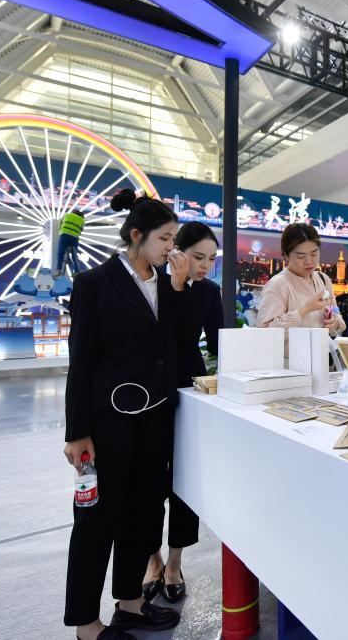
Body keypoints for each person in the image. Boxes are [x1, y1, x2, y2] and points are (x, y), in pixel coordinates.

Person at [63, 188, 195, 640]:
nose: (171, 247)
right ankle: (86, 623)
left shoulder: (164, 283)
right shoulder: (95, 283)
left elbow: (179, 341)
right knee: (96, 521)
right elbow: (81, 360)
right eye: (165, 238)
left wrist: (178, 287)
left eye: (173, 238)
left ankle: (131, 603)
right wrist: (77, 431)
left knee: (143, 512)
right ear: (136, 235)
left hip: (155, 419)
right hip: (108, 422)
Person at [143, 222, 222, 604]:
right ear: (177, 252)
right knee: (148, 479)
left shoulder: (208, 291)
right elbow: (161, 336)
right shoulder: (153, 284)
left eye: (211, 259)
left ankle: (174, 562)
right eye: (197, 257)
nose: (204, 265)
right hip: (151, 389)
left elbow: (220, 341)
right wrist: (175, 286)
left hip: (191, 387)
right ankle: (152, 559)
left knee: (185, 479)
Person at [256, 223, 346, 336]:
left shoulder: (323, 279)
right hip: (289, 349)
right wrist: (304, 310)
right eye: (301, 256)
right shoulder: (278, 285)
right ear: (286, 255)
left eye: (314, 254)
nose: (309, 261)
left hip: (320, 347)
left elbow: (337, 317)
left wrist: (335, 323)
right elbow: (265, 332)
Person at [56, 210, 86, 277]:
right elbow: (81, 230)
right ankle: (77, 271)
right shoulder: (82, 220)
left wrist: (61, 231)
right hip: (74, 238)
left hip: (64, 235)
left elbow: (60, 224)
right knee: (74, 256)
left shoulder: (66, 215)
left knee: (60, 253)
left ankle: (58, 270)